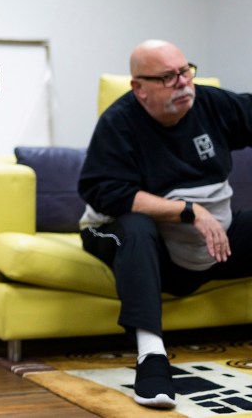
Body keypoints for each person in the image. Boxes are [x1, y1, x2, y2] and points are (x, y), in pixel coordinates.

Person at [78, 39, 252, 409]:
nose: (183, 83)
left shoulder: (211, 104)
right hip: (147, 245)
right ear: (139, 88)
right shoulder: (119, 122)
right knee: (135, 226)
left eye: (185, 71)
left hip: (213, 244)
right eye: (168, 77)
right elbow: (103, 192)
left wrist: (204, 216)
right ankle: (151, 356)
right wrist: (188, 211)